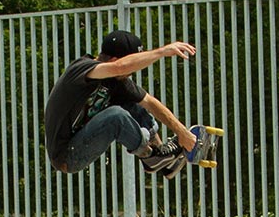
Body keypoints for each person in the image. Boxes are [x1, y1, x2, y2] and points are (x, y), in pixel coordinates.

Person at [43, 30, 199, 180]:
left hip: (85, 139)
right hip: (67, 154)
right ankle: (152, 157)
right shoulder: (80, 69)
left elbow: (150, 103)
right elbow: (120, 67)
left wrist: (182, 132)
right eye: (130, 70)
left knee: (134, 104)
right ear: (113, 60)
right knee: (116, 116)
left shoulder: (117, 82)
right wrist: (162, 51)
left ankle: (161, 159)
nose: (129, 75)